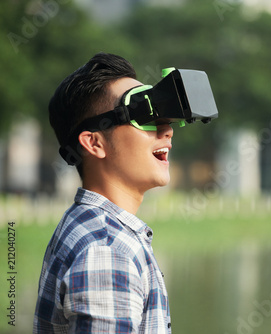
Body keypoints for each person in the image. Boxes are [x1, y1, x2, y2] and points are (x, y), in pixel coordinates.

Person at [33, 53, 174, 333]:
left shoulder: (92, 228)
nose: (166, 130)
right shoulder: (107, 251)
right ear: (94, 143)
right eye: (144, 115)